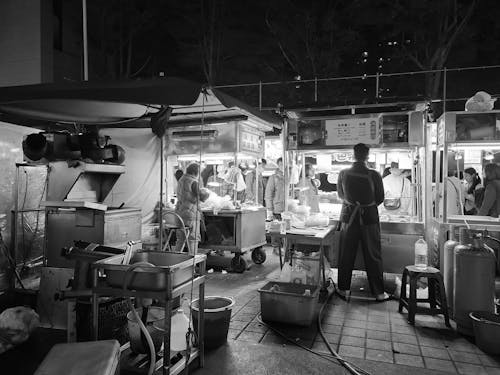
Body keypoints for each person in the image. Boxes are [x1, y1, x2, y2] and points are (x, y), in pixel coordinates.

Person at [336, 143, 389, 302]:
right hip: (369, 218)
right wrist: (366, 206)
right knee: (373, 255)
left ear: (353, 155)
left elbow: (340, 195)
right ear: (367, 156)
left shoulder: (343, 173)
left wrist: (354, 204)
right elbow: (380, 198)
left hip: (349, 218)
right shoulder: (375, 175)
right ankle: (378, 293)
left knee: (346, 254)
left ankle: (343, 289)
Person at [175, 163, 209, 254]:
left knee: (180, 239)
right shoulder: (193, 182)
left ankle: (175, 260)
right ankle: (192, 263)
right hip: (191, 215)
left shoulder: (181, 180)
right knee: (193, 240)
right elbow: (200, 197)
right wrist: (206, 193)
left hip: (180, 213)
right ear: (196, 172)